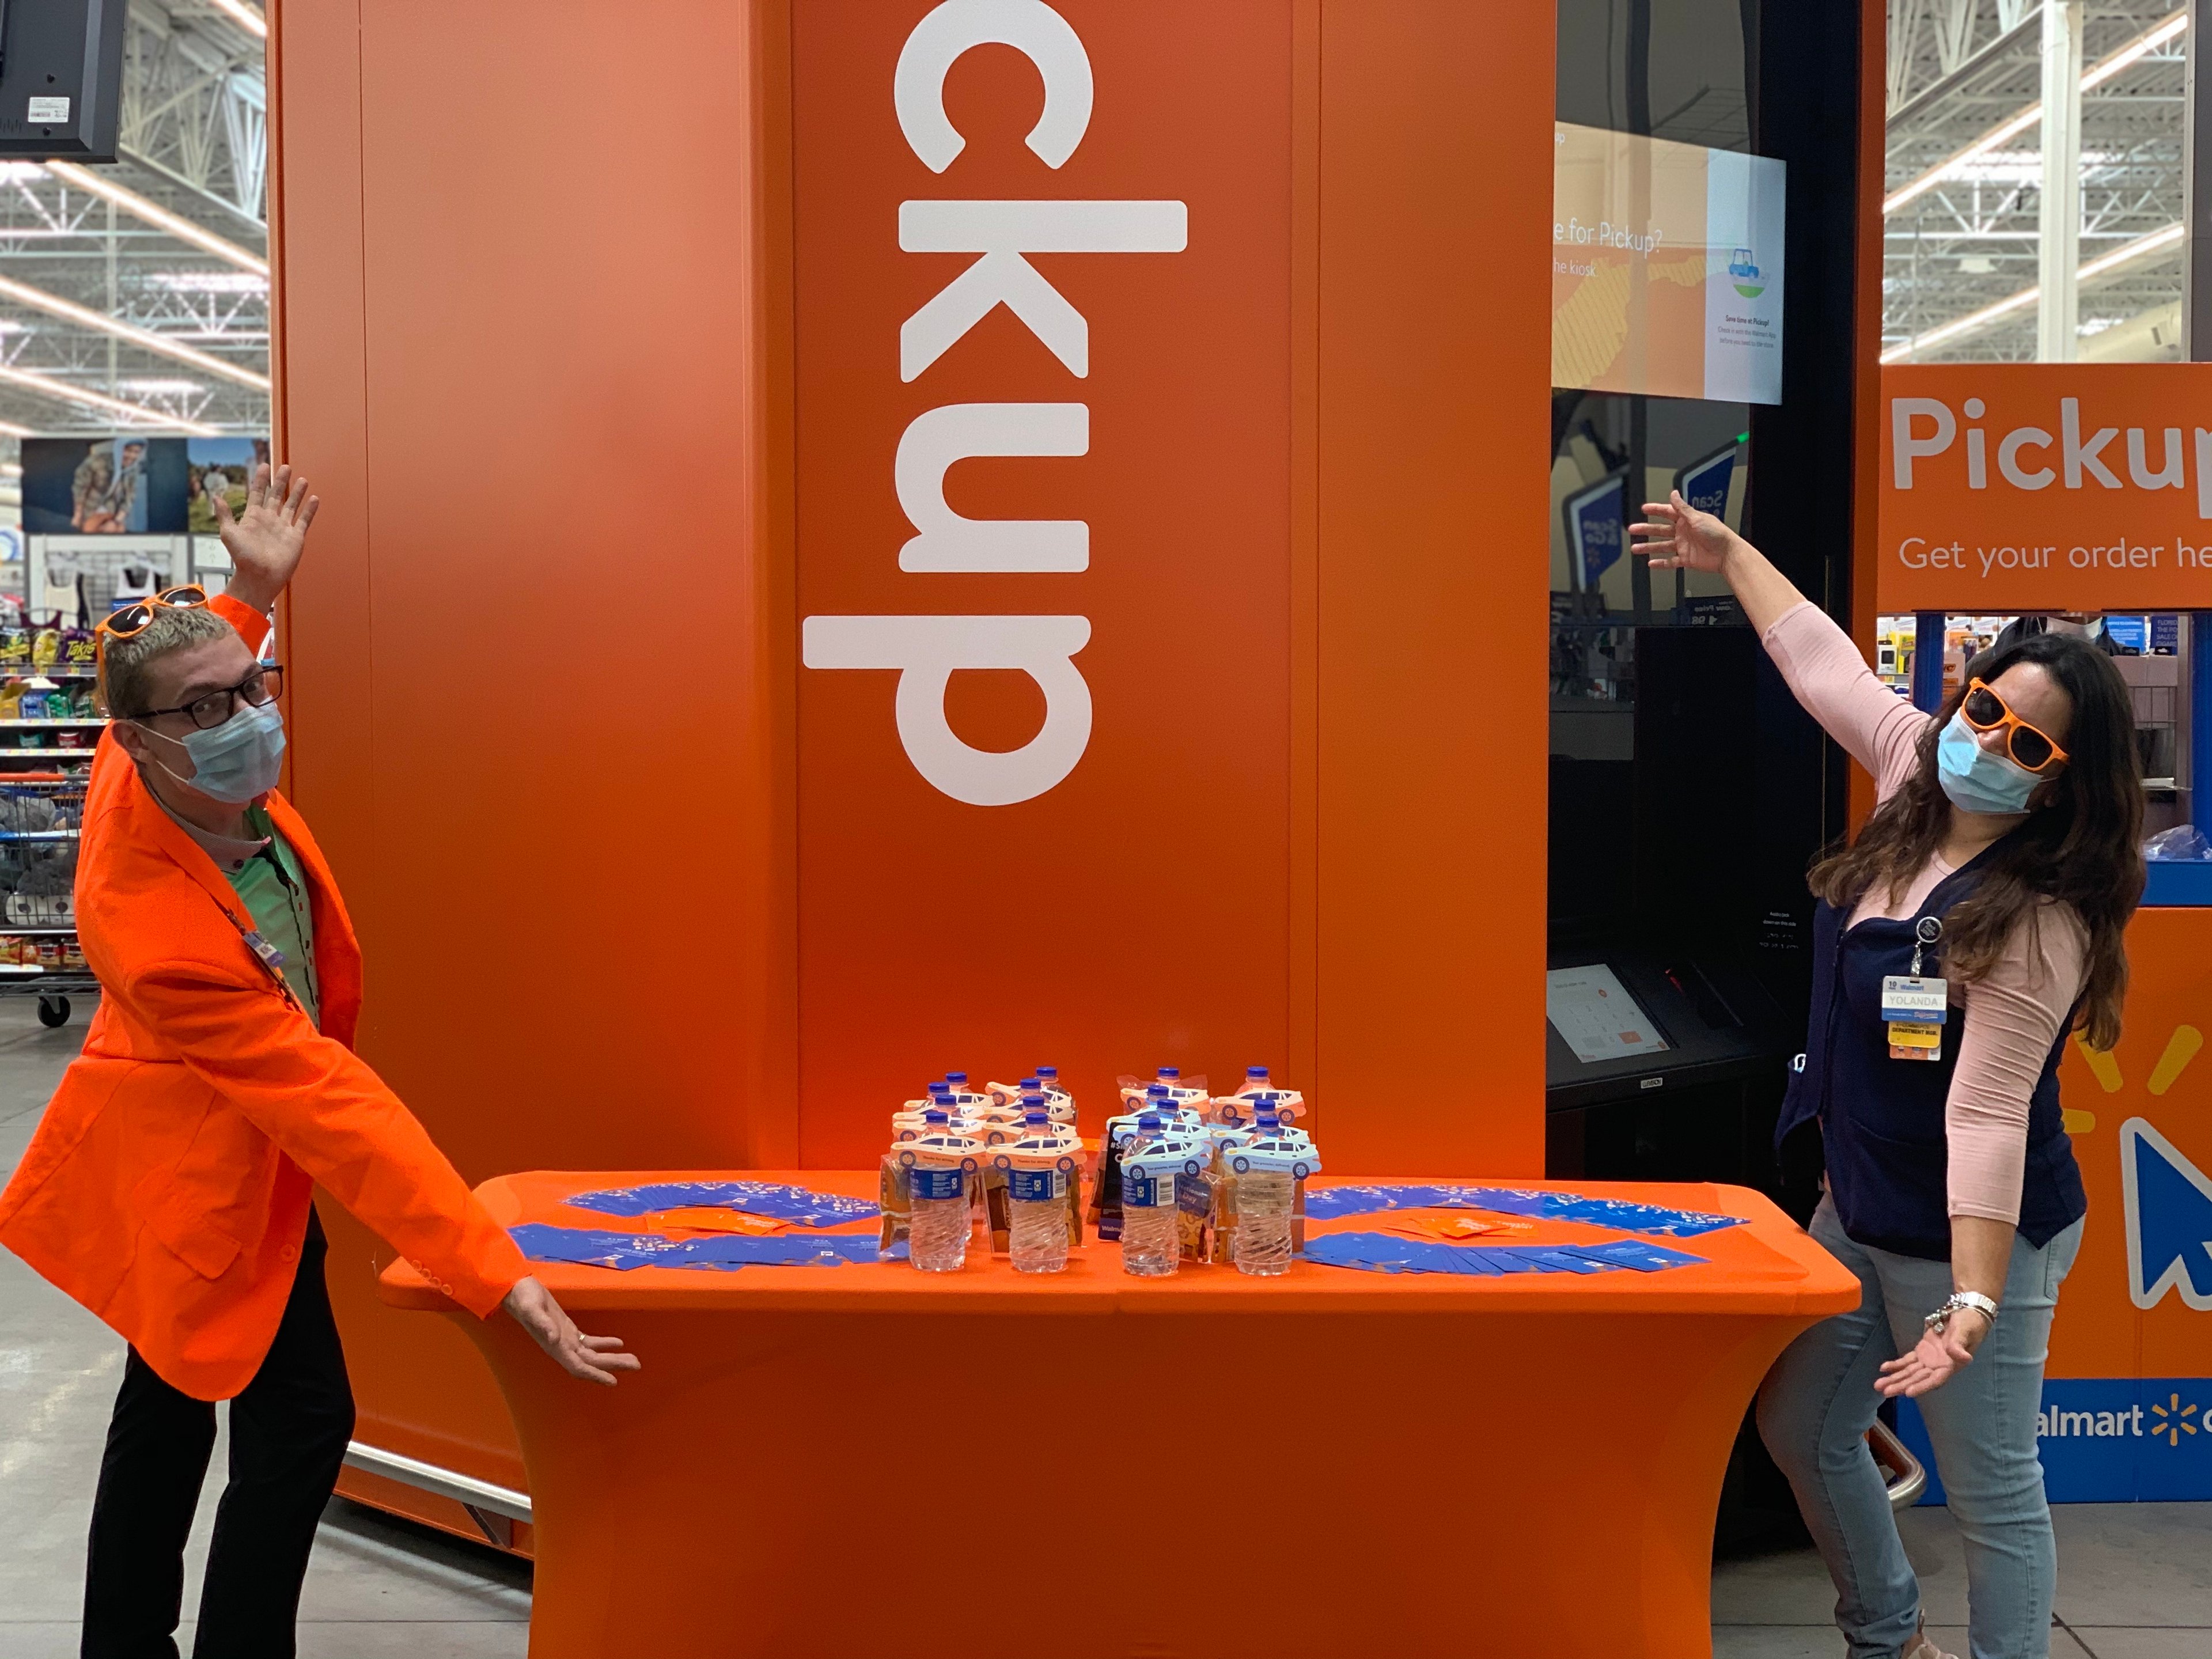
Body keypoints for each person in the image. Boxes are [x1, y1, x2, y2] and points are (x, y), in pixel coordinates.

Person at [0, 464, 640, 1659]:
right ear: (136, 744)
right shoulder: (155, 925)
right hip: (198, 1183)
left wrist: (249, 590)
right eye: (208, 709)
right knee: (292, 1420)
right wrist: (489, 1270)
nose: (244, 719)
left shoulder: (145, 774)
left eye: (251, 690)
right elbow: (327, 1098)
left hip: (226, 1158)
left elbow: (194, 676)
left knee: (177, 1405)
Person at [1634, 493, 2139, 1659]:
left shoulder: (2042, 917)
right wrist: (1729, 555)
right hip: (1859, 1195)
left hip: (1974, 1228)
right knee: (1806, 1419)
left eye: (2027, 744)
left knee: (1994, 1490)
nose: (1985, 744)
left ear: (2059, 782)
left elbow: (1986, 1112)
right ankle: (1888, 1636)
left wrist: (1970, 1297)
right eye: (1983, 710)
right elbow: (1820, 658)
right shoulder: (1917, 774)